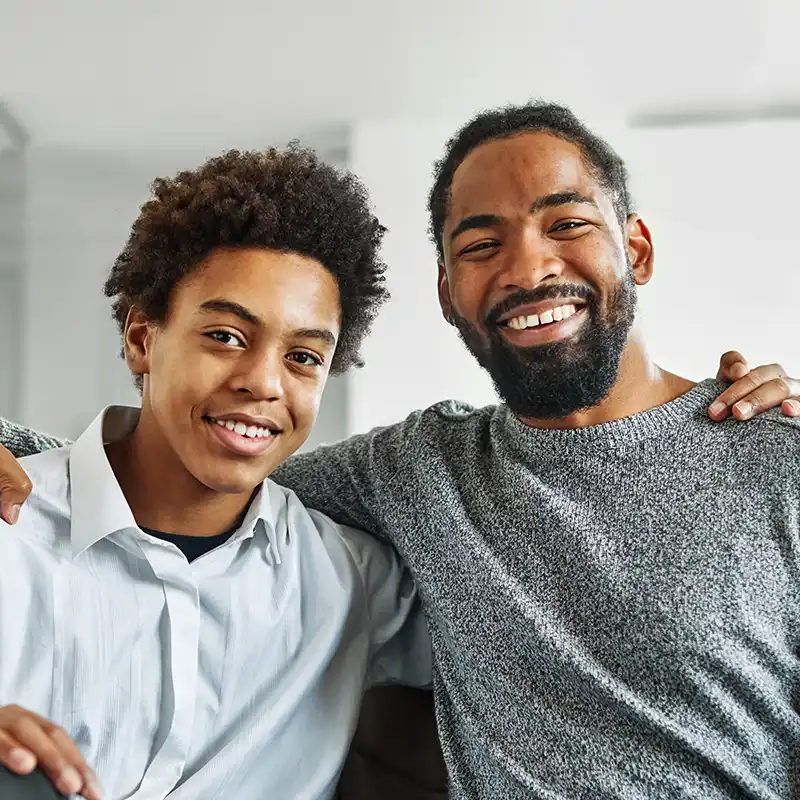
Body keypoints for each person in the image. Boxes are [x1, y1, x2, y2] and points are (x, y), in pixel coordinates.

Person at [1, 102, 800, 799]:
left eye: (567, 223)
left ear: (640, 250)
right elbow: (181, 480)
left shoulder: (778, 461)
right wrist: (35, 461)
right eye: (482, 243)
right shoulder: (423, 472)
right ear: (450, 293)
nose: (528, 266)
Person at [0, 146, 432, 800]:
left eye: (304, 357)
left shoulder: (353, 582)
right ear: (142, 339)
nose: (262, 382)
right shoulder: (10, 533)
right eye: (226, 336)